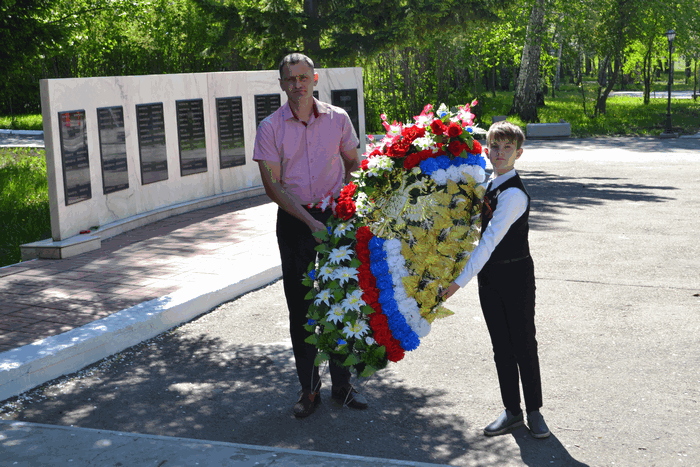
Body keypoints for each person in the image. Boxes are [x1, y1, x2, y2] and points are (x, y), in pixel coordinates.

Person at [253, 53, 366, 418]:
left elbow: (353, 162)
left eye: (304, 77)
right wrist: (309, 222)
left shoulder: (338, 118)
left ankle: (343, 386)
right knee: (301, 307)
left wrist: (347, 200)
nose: (298, 84)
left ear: (315, 78)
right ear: (282, 83)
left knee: (341, 301)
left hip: (336, 220)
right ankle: (309, 390)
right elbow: (272, 185)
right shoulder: (270, 127)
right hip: (294, 221)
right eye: (291, 79)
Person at [441, 120, 550, 438]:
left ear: (519, 153)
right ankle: (512, 411)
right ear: (487, 149)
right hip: (490, 277)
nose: (499, 153)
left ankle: (535, 412)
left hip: (515, 275)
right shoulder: (489, 183)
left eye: (507, 148)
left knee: (523, 344)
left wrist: (456, 283)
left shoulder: (514, 194)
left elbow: (487, 242)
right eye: (494, 146)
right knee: (501, 346)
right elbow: (471, 231)